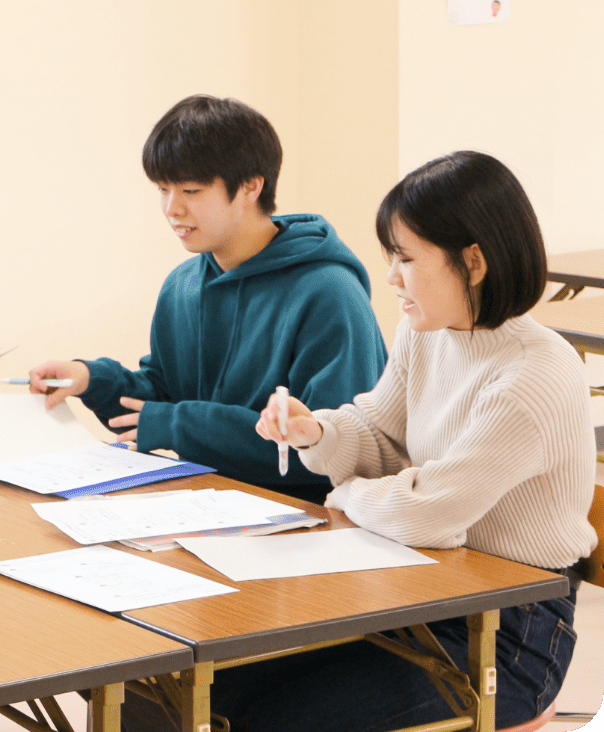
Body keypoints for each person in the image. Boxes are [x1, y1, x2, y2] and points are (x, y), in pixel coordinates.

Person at [133, 151, 598, 732]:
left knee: (274, 716)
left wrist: (348, 493)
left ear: (473, 262)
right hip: (419, 588)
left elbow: (430, 512)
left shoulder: (533, 375)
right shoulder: (427, 332)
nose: (392, 277)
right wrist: (316, 431)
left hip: (509, 630)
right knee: (173, 686)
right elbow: (379, 431)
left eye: (406, 258)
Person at [30, 95, 386, 502]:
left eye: (191, 190)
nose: (171, 208)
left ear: (251, 186)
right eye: (162, 189)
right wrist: (92, 380)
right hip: (204, 504)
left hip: (305, 524)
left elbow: (333, 452)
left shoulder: (329, 294)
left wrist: (180, 424)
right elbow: (163, 403)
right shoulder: (182, 285)